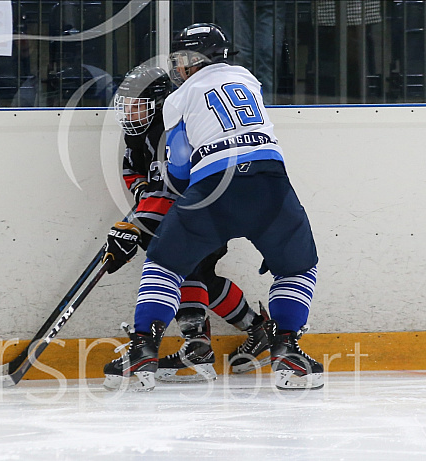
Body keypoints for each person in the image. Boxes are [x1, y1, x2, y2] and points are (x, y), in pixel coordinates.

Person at [103, 24, 323, 392]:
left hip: (214, 187)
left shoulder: (177, 99)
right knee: (298, 268)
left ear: (192, 60)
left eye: (179, 59)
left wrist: (148, 218)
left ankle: (143, 350)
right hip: (272, 183)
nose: (176, 67)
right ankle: (287, 351)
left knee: (163, 265)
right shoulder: (248, 79)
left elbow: (179, 170)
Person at [103, 65, 269, 384]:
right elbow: (134, 171)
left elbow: (175, 187)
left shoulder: (177, 129)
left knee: (182, 267)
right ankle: (254, 329)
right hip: (179, 214)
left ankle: (197, 350)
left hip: (207, 211)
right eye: (126, 106)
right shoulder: (137, 135)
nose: (130, 114)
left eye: (137, 105)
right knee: (202, 274)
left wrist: (135, 222)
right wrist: (141, 193)